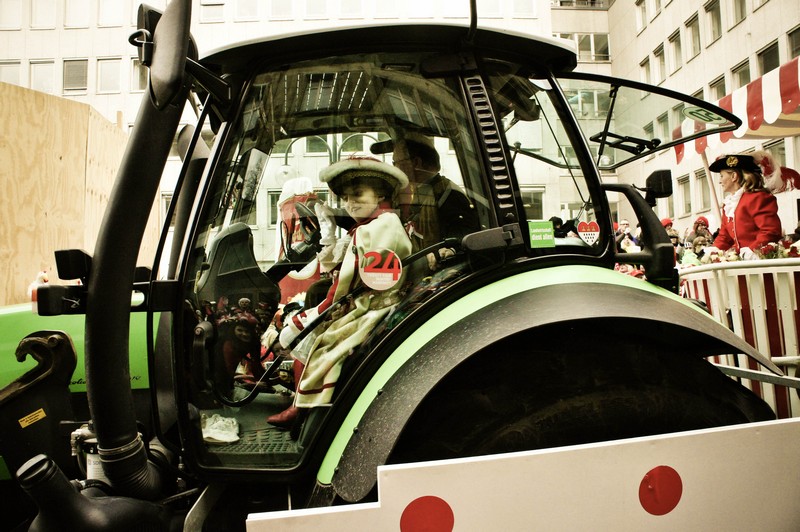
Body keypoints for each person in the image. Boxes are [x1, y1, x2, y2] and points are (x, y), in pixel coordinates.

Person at [267, 157, 413, 427]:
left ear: (380, 194)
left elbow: (347, 284)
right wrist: (329, 235)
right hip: (369, 300)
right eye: (345, 198)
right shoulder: (378, 224)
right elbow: (341, 269)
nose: (350, 203)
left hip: (371, 306)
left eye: (358, 194)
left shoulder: (377, 228)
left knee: (314, 337)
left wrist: (315, 316)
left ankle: (301, 408)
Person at [371, 132, 480, 252]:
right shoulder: (420, 191)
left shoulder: (449, 196)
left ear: (416, 163)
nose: (395, 168)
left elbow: (460, 241)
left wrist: (447, 251)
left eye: (395, 162)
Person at [710, 154, 782, 259]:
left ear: (734, 176)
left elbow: (770, 231)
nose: (720, 181)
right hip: (742, 262)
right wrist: (713, 251)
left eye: (722, 176)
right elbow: (724, 237)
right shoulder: (728, 204)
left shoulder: (758, 198)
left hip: (760, 260)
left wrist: (753, 250)